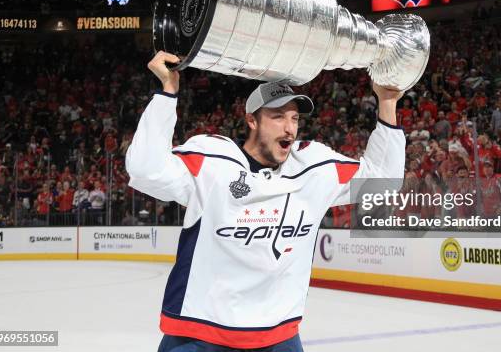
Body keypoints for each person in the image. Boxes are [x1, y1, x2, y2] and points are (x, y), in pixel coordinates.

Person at [126, 51, 406, 352]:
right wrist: (168, 92)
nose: (289, 128)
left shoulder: (313, 167)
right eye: (277, 116)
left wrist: (387, 103)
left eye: (294, 117)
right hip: (199, 335)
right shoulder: (212, 162)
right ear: (252, 120)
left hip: (279, 337)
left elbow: (384, 182)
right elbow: (145, 169)